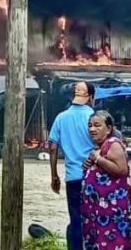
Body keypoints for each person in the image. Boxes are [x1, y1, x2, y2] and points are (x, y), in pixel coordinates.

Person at [49, 81, 96, 250]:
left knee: (76, 220)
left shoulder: (61, 117)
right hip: (93, 177)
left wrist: (54, 175)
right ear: (91, 97)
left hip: (72, 178)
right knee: (95, 218)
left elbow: (53, 146)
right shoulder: (95, 118)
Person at [81, 110, 131, 249]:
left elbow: (121, 170)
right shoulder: (100, 147)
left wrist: (97, 159)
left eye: (97, 125)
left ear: (108, 129)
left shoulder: (113, 144)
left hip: (111, 210)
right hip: (98, 210)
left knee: (113, 242)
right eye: (90, 125)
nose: (92, 129)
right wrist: (90, 164)